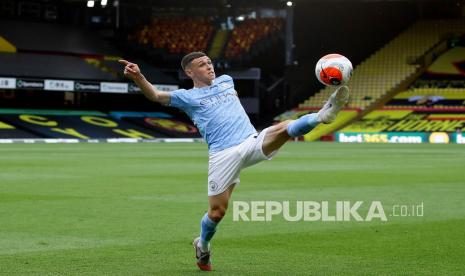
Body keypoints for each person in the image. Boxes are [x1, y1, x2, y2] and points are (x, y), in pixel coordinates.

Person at [119, 52, 349, 271]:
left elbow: (233, 104)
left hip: (249, 141)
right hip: (222, 155)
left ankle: (323, 115)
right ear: (190, 72)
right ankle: (203, 245)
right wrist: (139, 77)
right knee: (217, 212)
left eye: (209, 62)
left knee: (283, 129)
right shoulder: (186, 97)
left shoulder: (226, 81)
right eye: (202, 64)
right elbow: (155, 96)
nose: (209, 66)